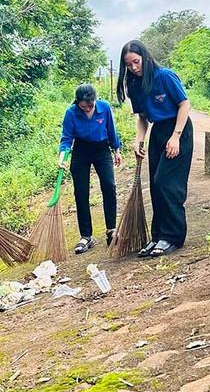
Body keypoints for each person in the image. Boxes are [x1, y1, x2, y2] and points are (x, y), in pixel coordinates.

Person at [117, 40, 193, 258]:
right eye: (128, 65)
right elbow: (142, 117)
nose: (133, 68)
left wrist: (176, 137)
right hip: (158, 132)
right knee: (156, 186)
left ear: (146, 58)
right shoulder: (134, 85)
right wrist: (138, 140)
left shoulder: (165, 76)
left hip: (178, 129)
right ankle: (158, 235)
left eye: (136, 62)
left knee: (167, 184)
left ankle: (173, 237)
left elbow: (184, 105)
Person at [59, 83, 123, 253]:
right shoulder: (71, 113)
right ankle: (86, 236)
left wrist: (116, 150)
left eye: (91, 105)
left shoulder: (105, 108)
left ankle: (111, 229)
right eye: (83, 106)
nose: (88, 109)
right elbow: (66, 139)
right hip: (81, 151)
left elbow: (111, 131)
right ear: (77, 103)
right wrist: (63, 157)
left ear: (96, 101)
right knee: (81, 192)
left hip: (101, 149)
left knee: (109, 186)